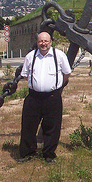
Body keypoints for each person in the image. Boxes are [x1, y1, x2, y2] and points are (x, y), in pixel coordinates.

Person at [18, 31, 71, 163]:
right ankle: (27, 153)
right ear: (37, 42)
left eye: (46, 41)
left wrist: (57, 86)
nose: (43, 43)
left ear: (51, 42)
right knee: (28, 126)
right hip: (34, 97)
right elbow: (25, 75)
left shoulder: (59, 56)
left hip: (52, 97)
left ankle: (48, 154)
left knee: (52, 127)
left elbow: (66, 73)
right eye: (41, 41)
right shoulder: (31, 56)